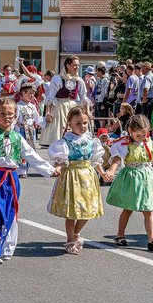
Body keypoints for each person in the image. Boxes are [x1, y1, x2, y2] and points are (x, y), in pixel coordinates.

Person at [0, 97, 59, 266]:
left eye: (10, 114)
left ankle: (4, 248)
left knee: (10, 213)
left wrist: (50, 170)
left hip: (12, 178)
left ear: (15, 116)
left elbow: (31, 156)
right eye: (2, 114)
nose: (7, 117)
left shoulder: (17, 137)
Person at [47, 107, 110, 254]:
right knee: (72, 212)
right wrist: (57, 168)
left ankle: (75, 233)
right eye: (78, 123)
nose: (82, 126)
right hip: (72, 177)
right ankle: (70, 239)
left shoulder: (91, 140)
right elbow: (61, 160)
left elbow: (95, 161)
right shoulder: (65, 141)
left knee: (87, 210)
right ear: (69, 123)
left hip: (88, 177)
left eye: (85, 123)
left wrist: (103, 173)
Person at [105, 115, 153, 251]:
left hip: (147, 179)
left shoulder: (149, 143)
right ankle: (120, 235)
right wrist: (111, 170)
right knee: (128, 208)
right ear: (130, 130)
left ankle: (151, 240)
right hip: (132, 179)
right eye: (138, 135)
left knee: (148, 210)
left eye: (144, 134)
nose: (142, 137)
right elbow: (117, 158)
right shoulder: (124, 143)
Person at [41, 56, 86, 147]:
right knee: (59, 133)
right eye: (74, 65)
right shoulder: (57, 78)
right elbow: (51, 97)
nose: (77, 67)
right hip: (60, 106)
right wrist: (48, 113)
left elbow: (83, 96)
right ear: (67, 65)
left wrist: (86, 112)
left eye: (78, 65)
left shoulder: (79, 80)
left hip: (73, 107)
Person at [15, 83, 43, 177]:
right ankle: (21, 169)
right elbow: (14, 120)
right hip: (21, 131)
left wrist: (46, 120)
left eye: (33, 94)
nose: (31, 96)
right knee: (21, 150)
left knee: (30, 149)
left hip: (31, 131)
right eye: (30, 93)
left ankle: (26, 168)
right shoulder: (18, 106)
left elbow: (37, 120)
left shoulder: (32, 106)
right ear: (23, 93)